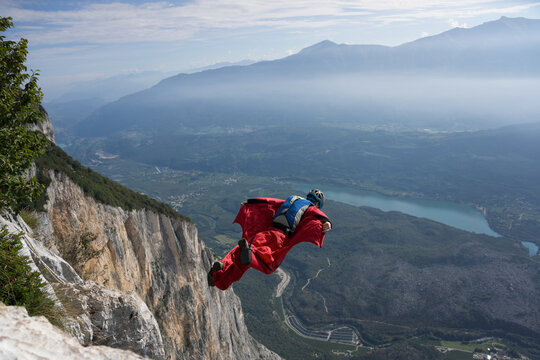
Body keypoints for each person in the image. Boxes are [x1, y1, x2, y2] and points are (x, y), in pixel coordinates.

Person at [208, 189, 332, 290]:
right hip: (280, 236)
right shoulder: (310, 208)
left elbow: (269, 202)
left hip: (265, 232)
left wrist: (249, 203)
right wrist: (327, 223)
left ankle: (219, 274)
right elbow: (319, 216)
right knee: (269, 264)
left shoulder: (292, 200)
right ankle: (250, 252)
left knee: (241, 260)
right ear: (317, 204)